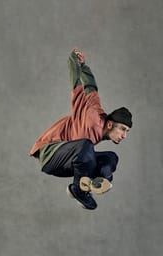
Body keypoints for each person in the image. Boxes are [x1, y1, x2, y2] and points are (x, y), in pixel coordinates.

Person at [29, 48, 133, 210]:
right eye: (123, 129)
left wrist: (84, 67)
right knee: (86, 145)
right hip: (50, 154)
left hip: (73, 162)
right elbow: (76, 87)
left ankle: (96, 181)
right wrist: (74, 61)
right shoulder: (90, 115)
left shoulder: (96, 107)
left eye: (127, 132)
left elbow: (91, 87)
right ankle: (79, 188)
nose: (124, 135)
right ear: (110, 124)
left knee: (111, 158)